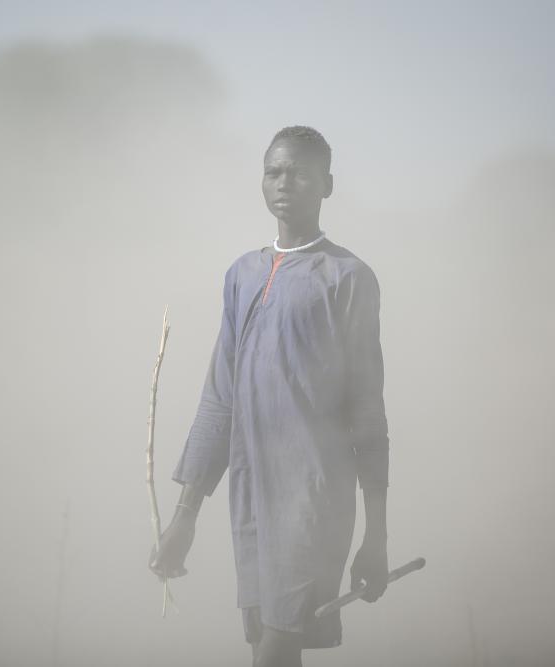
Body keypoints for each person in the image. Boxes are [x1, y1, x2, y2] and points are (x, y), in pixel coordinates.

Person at [149, 126, 390, 667]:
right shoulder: (243, 275)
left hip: (314, 498)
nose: (284, 183)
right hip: (251, 496)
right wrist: (186, 515)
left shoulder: (348, 278)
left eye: (299, 173)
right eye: (273, 172)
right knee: (267, 645)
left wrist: (375, 534)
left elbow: (368, 413)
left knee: (276, 650)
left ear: (326, 185)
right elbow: (219, 400)